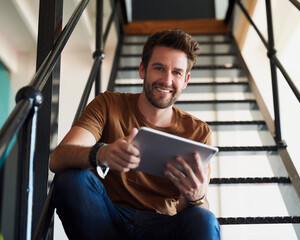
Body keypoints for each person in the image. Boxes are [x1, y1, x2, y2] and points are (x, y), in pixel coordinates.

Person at [50, 29, 220, 240]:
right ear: (142, 70)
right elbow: (58, 158)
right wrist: (102, 154)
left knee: (205, 219)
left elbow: (196, 209)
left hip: (162, 226)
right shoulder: (108, 104)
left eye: (176, 72)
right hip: (106, 217)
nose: (167, 80)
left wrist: (196, 197)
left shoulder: (198, 131)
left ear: (185, 80)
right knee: (71, 178)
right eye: (159, 68)